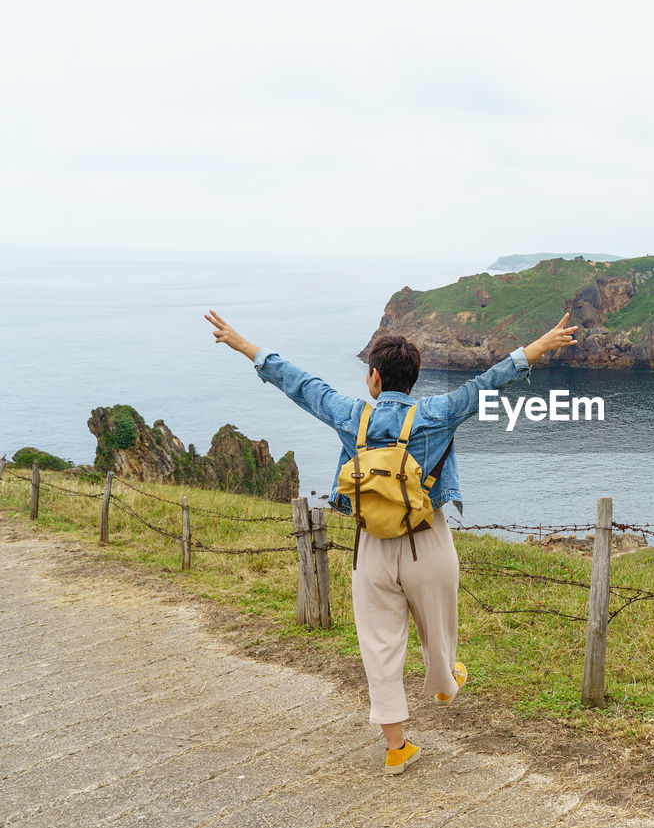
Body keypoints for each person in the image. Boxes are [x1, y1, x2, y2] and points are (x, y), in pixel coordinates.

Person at [204, 308, 578, 775]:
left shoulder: (351, 415)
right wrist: (539, 346)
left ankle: (396, 749)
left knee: (380, 647)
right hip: (428, 542)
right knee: (438, 625)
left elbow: (299, 384)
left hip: (371, 549)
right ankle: (443, 681)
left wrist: (244, 346)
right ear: (414, 379)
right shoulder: (437, 413)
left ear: (373, 378)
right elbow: (488, 383)